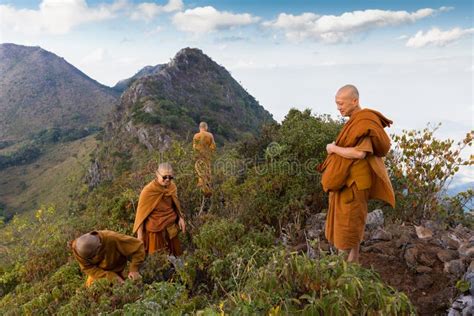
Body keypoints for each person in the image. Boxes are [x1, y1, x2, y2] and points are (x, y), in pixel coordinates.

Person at [319, 84, 395, 263]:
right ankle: (351, 266)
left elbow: (359, 153)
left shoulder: (364, 124)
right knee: (350, 225)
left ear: (355, 101)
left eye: (341, 104)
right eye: (337, 104)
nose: (339, 108)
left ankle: (346, 269)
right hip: (349, 182)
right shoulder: (356, 122)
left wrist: (333, 148)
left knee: (348, 225)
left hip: (354, 185)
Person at [133, 163, 186, 256]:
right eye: (164, 177)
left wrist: (180, 218)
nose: (167, 179)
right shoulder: (148, 191)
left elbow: (176, 205)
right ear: (157, 175)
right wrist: (140, 237)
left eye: (170, 177)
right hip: (155, 231)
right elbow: (140, 215)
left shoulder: (172, 187)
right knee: (158, 260)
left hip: (171, 228)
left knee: (176, 256)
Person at [71, 230, 145, 287]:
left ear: (100, 246)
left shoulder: (112, 238)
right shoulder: (78, 249)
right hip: (100, 275)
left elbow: (138, 247)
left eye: (94, 256)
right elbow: (87, 267)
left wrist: (134, 269)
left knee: (132, 288)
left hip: (120, 269)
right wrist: (110, 276)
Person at [193, 122, 216, 199]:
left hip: (198, 158)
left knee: (200, 174)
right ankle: (207, 194)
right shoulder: (210, 135)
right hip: (207, 158)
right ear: (206, 127)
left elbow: (194, 148)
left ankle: (201, 194)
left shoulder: (196, 136)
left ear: (200, 128)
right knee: (207, 175)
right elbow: (213, 147)